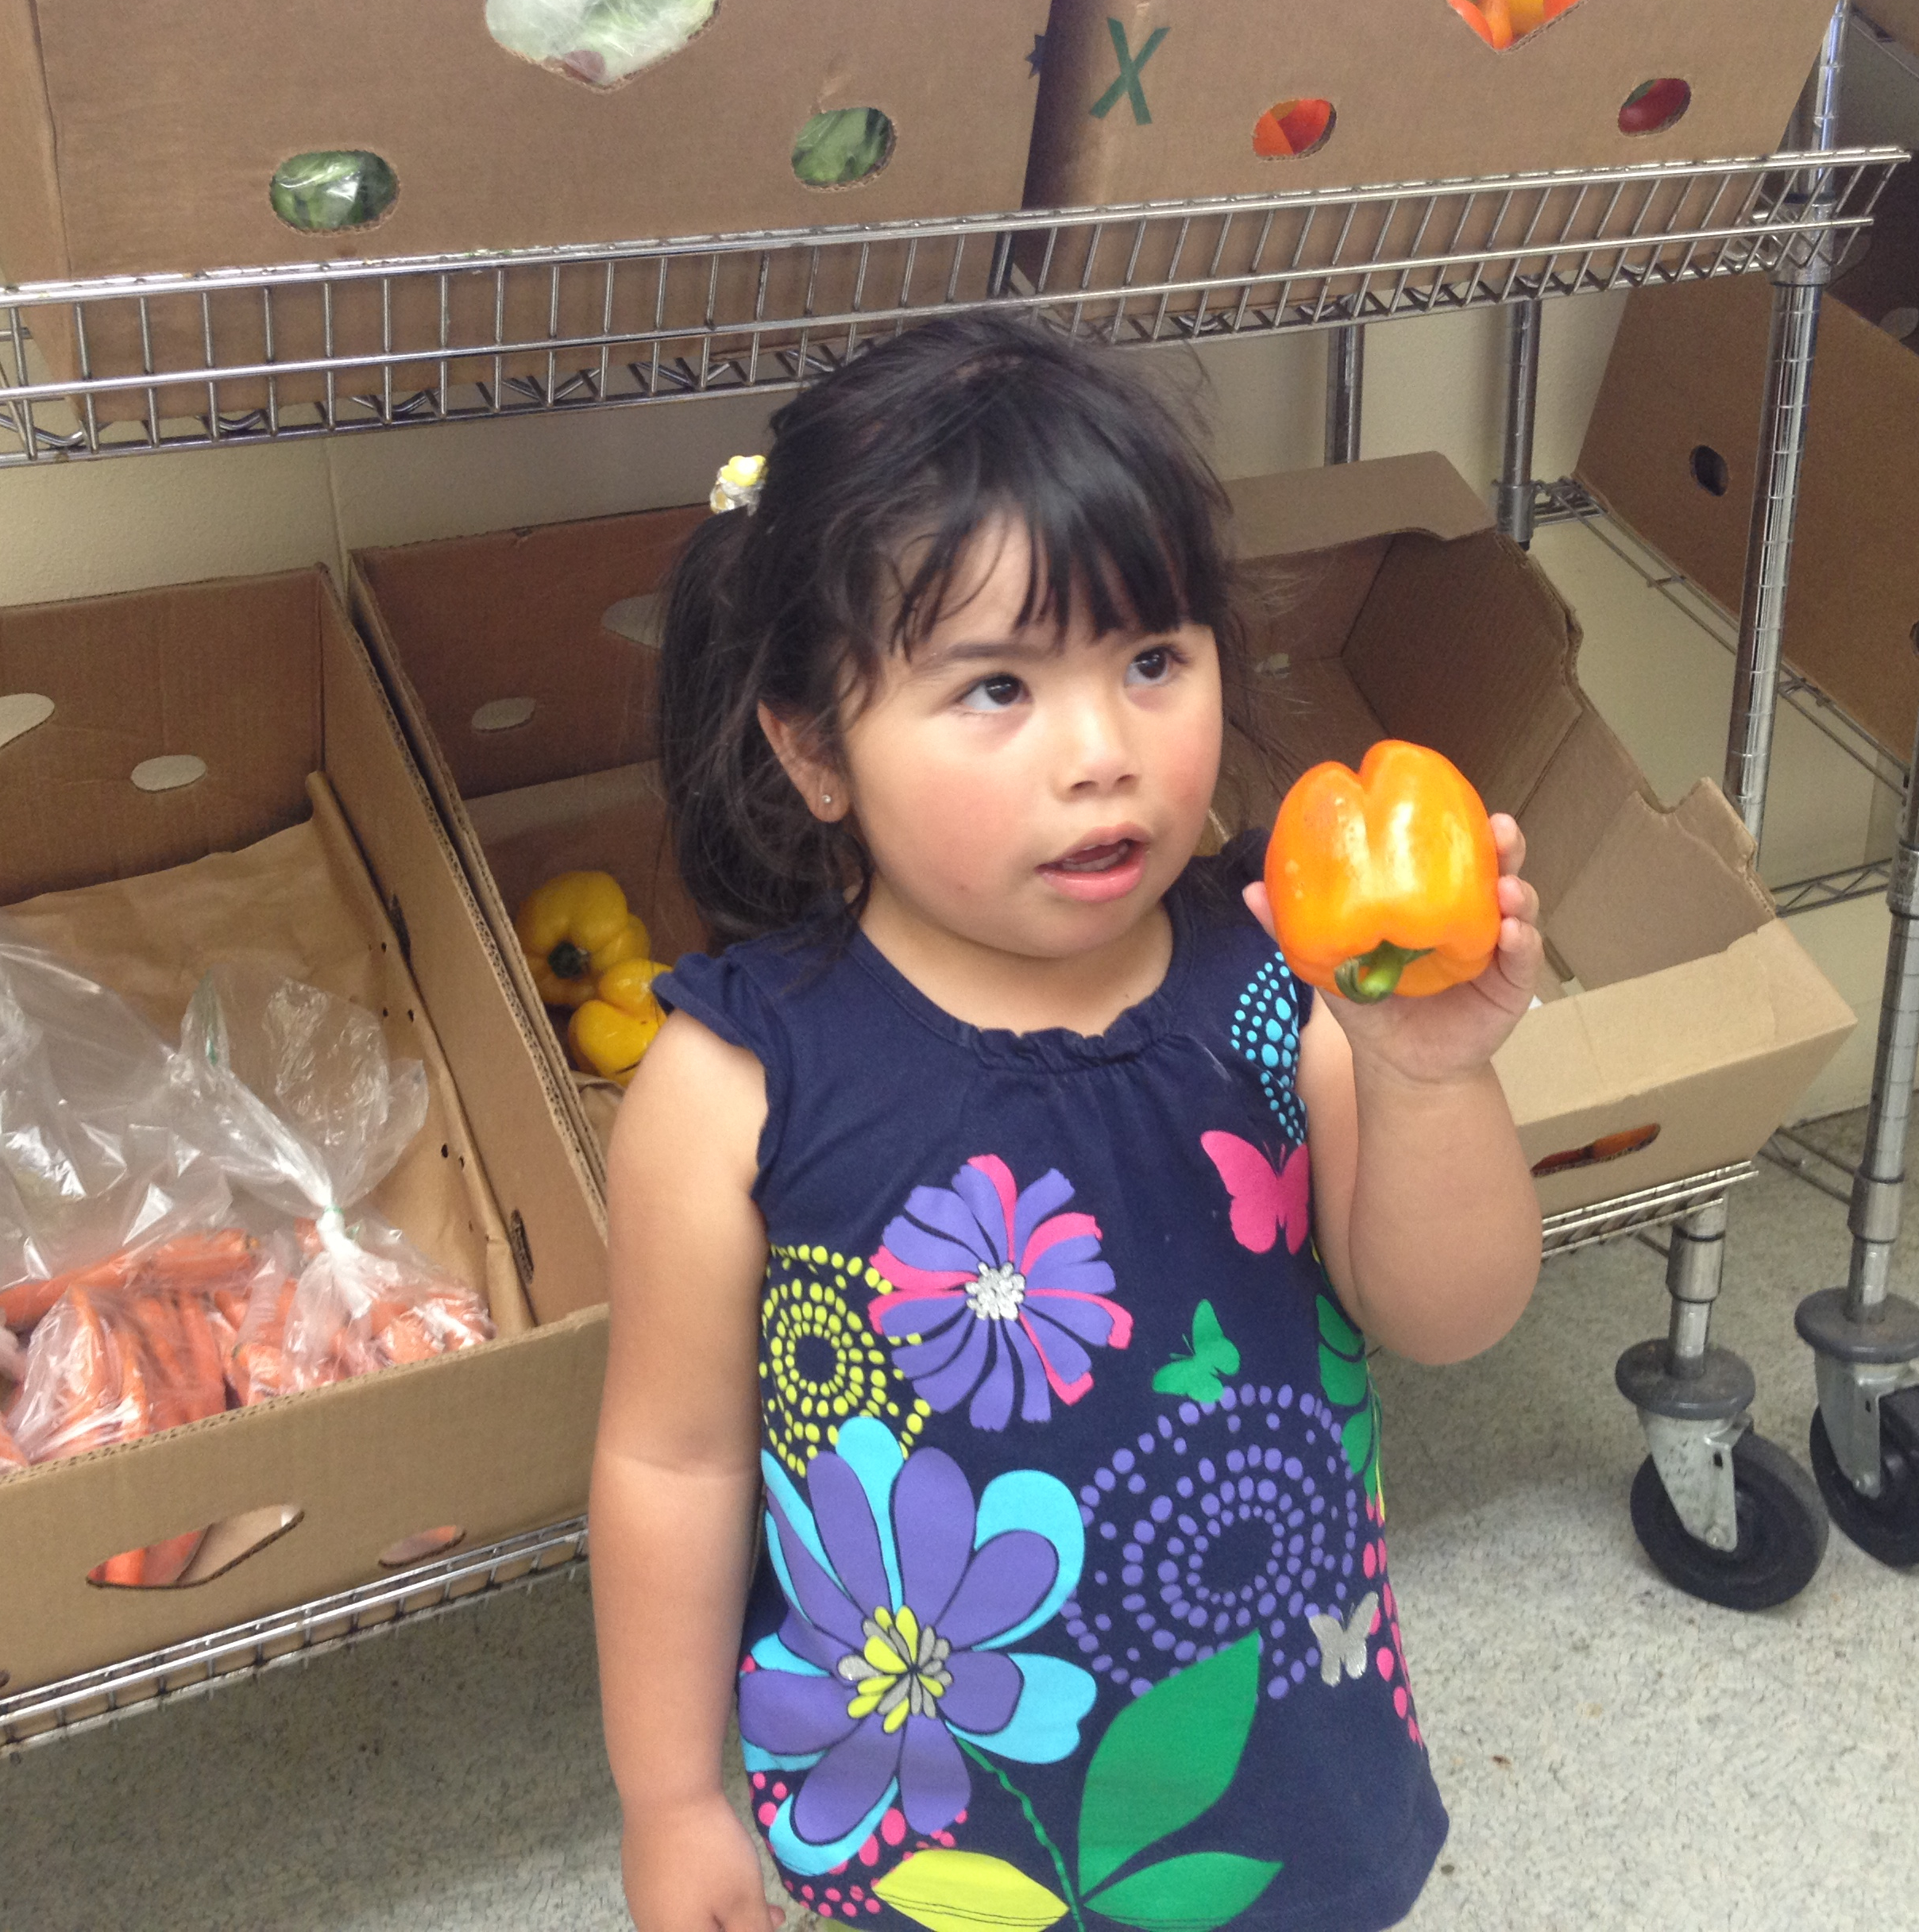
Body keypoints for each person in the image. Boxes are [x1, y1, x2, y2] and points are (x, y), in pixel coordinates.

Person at [591, 312, 1543, 1932]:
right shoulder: (738, 1085)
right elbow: (671, 1465)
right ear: (816, 749)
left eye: (1153, 660)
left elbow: (1449, 1317)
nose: (1103, 754)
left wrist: (1430, 1071)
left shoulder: (1284, 986)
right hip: (931, 1822)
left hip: (1273, 1770)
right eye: (996, 688)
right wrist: (670, 1800)